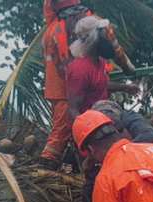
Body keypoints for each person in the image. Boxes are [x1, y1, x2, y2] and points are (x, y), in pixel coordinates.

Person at [39, 0, 135, 170]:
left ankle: (60, 163)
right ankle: (48, 167)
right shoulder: (93, 23)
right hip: (78, 90)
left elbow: (50, 60)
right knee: (61, 135)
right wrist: (127, 67)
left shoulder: (51, 31)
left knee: (61, 132)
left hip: (61, 88)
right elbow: (114, 47)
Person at [66, 16, 140, 122]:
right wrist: (92, 131)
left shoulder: (99, 60)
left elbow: (99, 84)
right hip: (94, 126)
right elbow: (72, 109)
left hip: (103, 118)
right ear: (94, 37)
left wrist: (125, 87)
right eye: (101, 30)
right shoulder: (80, 68)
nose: (105, 34)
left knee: (136, 119)